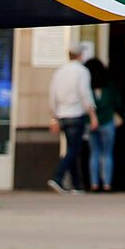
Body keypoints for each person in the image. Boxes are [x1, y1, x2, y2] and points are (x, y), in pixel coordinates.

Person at [49, 41, 96, 194]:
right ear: (81, 55)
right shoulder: (82, 71)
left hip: (62, 115)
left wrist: (54, 117)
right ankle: (58, 177)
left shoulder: (60, 71)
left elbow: (52, 96)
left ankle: (77, 185)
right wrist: (93, 115)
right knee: (74, 149)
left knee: (72, 149)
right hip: (76, 114)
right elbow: (85, 94)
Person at [88, 61, 121, 193]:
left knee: (94, 153)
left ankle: (94, 184)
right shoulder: (109, 85)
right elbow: (117, 101)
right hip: (107, 120)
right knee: (107, 153)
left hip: (91, 122)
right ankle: (107, 183)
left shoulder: (88, 87)